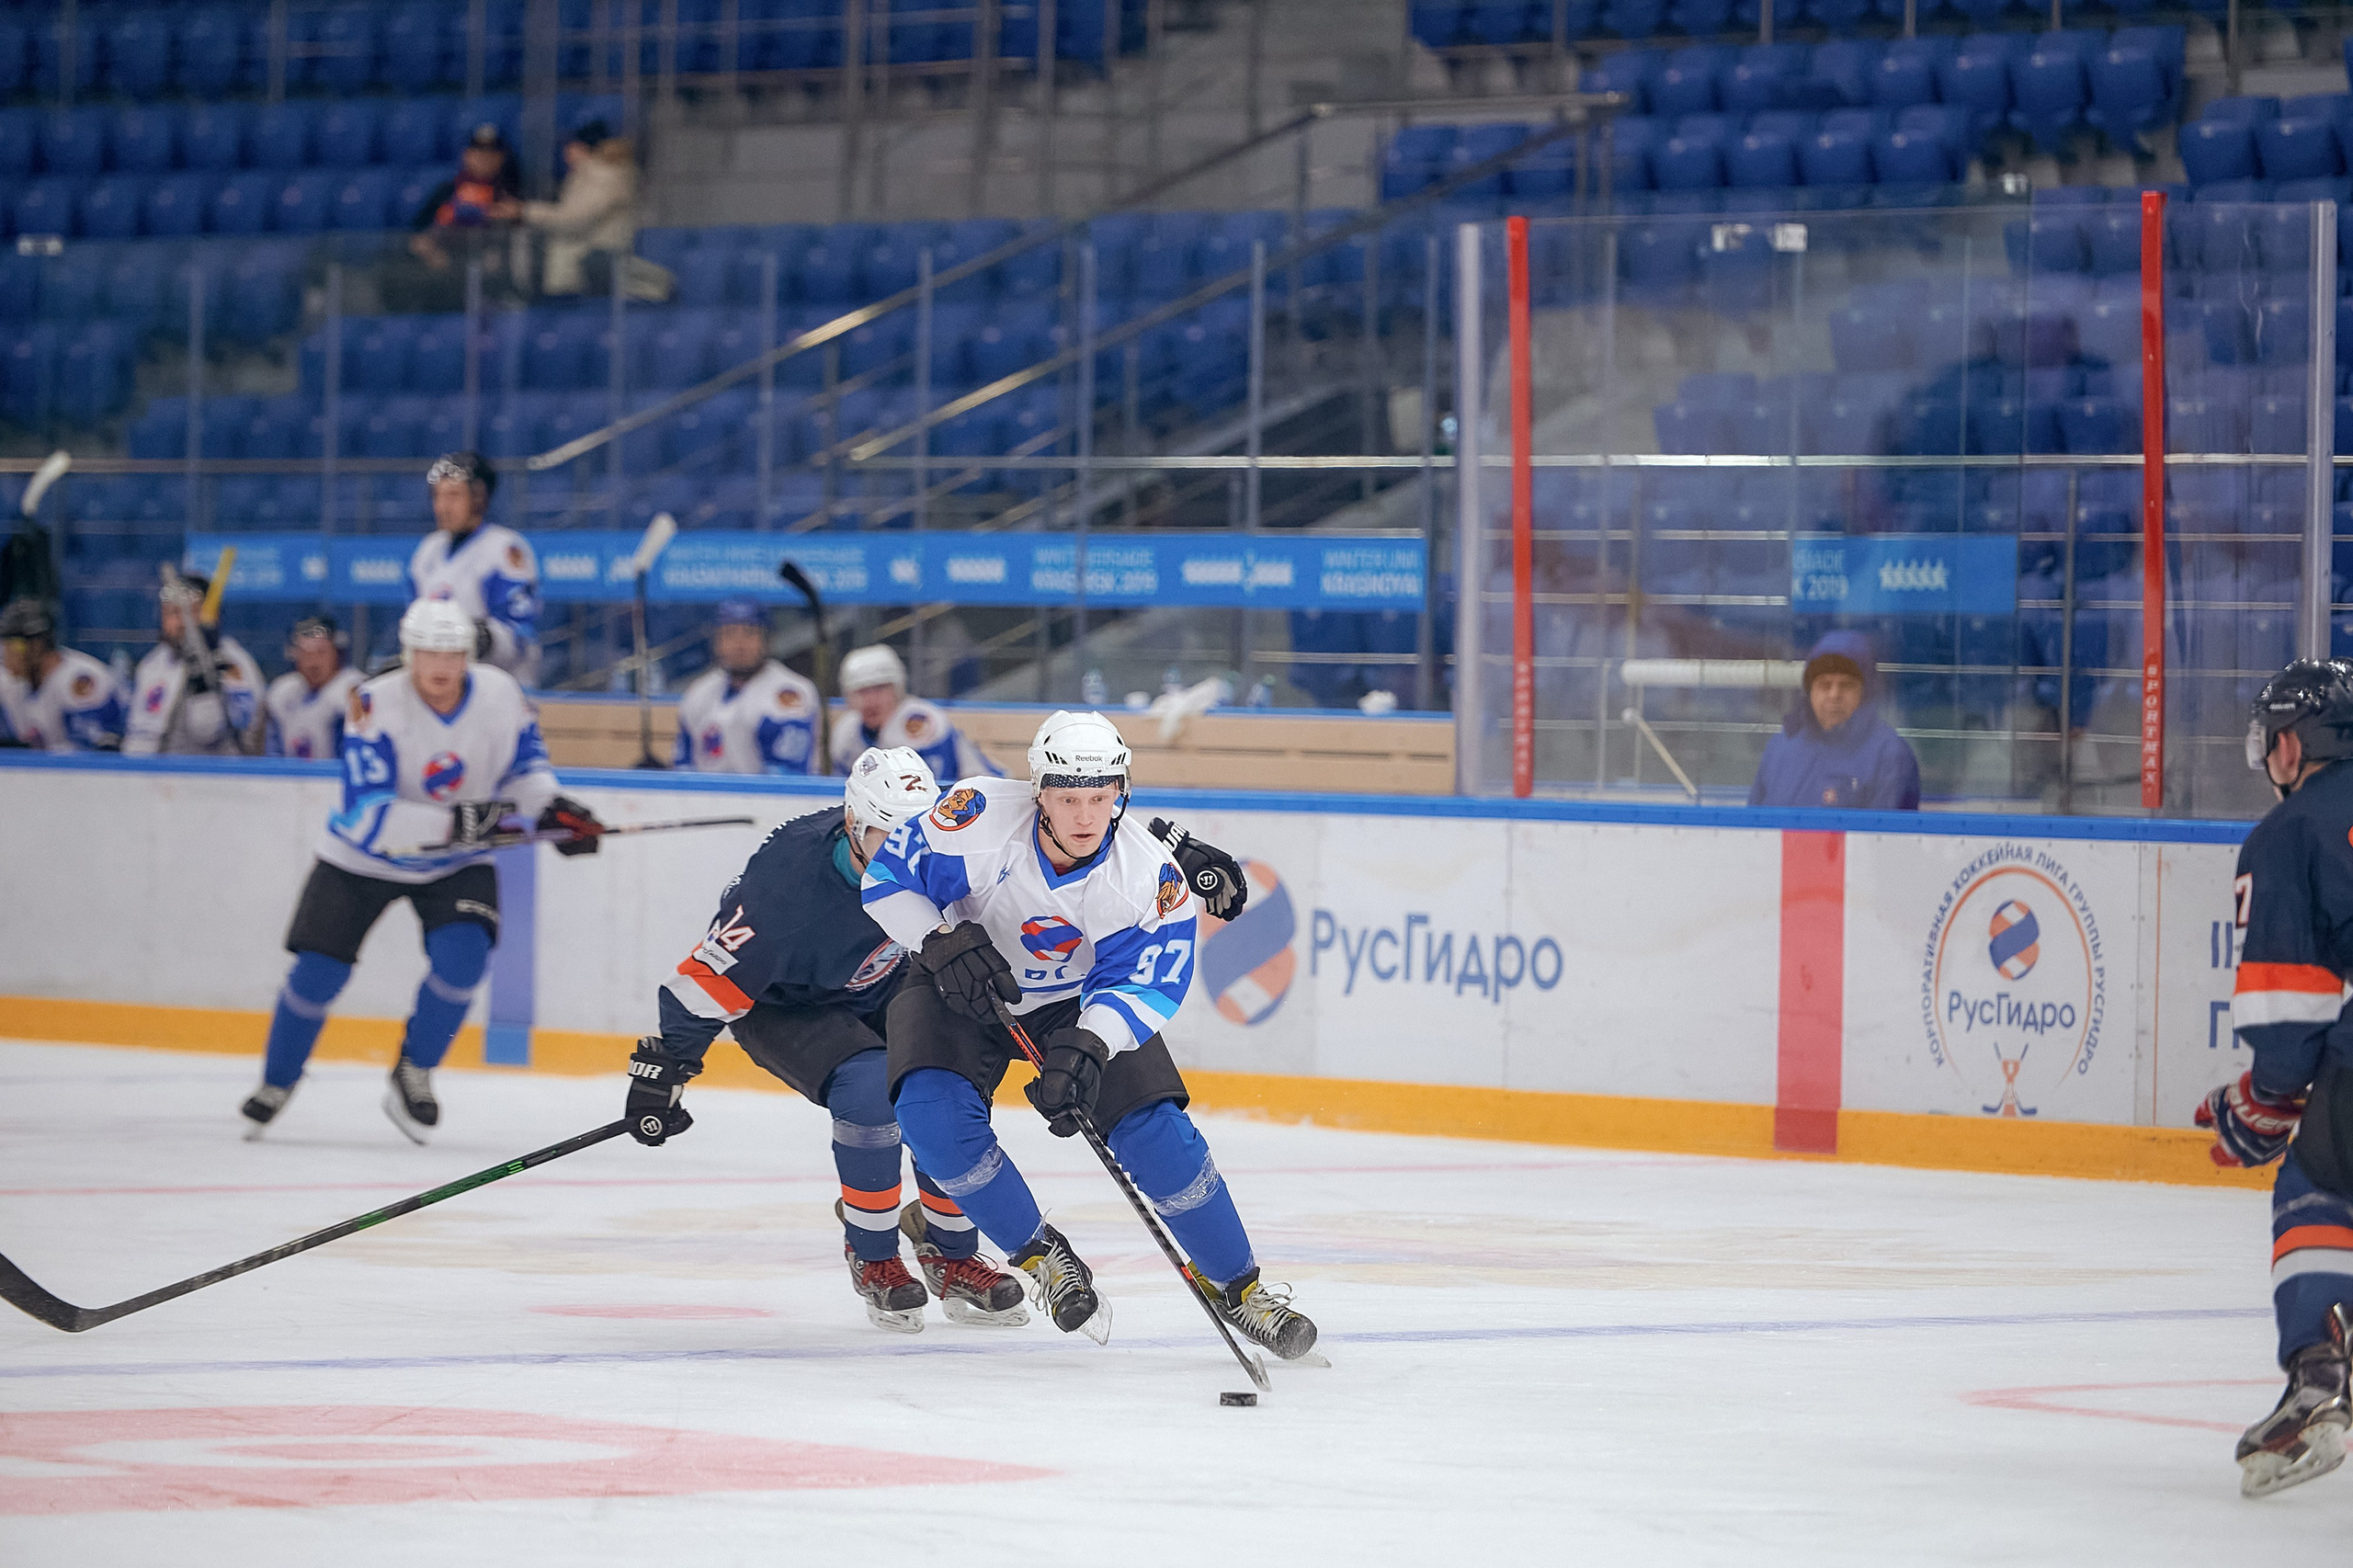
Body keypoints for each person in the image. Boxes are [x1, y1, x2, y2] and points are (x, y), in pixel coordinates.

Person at [855, 709, 1315, 1361]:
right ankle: (1040, 1256)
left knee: (1159, 1135)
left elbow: (1149, 980)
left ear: (1121, 795)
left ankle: (1241, 1289)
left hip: (1073, 1000)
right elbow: (887, 880)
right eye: (1068, 798)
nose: (1083, 816)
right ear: (1039, 790)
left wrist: (1093, 1041)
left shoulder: (1147, 878)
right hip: (959, 981)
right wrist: (938, 940)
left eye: (1099, 798)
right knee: (930, 1118)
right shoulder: (976, 817)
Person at [623, 747, 1031, 1332]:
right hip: (787, 1008)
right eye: (886, 838)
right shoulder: (784, 895)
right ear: (852, 827)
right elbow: (706, 979)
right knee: (869, 1089)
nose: (904, 857)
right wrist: (663, 1069)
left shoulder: (945, 857)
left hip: (881, 984)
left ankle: (952, 1253)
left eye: (914, 838)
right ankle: (873, 1255)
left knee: (946, 1082)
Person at [238, 599, 605, 1144]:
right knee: (319, 972)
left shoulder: (502, 696)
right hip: (360, 859)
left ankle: (414, 1069)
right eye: (430, 651)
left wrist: (553, 811)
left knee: (463, 963)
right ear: (409, 654)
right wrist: (462, 821)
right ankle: (278, 1080)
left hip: (454, 864)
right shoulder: (372, 703)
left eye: (453, 652)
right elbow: (370, 814)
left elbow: (524, 770)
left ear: (468, 655)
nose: (441, 664)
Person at [2201, 658, 2353, 1498]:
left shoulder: (2289, 834)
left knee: (2319, 1186)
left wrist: (2263, 1106)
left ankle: (2318, 1379)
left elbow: (2289, 1007)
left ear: (2292, 745)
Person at [1747, 631, 1920, 811]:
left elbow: (1885, 836)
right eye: (1824, 684)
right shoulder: (1781, 746)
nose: (1834, 695)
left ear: (1865, 692)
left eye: (1846, 685)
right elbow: (1753, 828)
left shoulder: (1890, 756)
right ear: (1809, 692)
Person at [407, 451, 540, 685]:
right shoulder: (427, 551)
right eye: (438, 496)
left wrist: (466, 637)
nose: (442, 507)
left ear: (479, 497)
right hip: (443, 689)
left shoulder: (504, 549)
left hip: (498, 689)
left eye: (453, 496)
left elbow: (519, 634)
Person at [671, 597, 821, 774]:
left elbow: (787, 776)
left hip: (767, 799)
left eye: (750, 633)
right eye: (730, 633)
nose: (739, 644)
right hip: (705, 797)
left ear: (767, 639)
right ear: (717, 641)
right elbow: (683, 766)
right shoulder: (699, 692)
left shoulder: (791, 692)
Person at [122, 571, 263, 756]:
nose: (180, 623)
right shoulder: (152, 664)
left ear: (211, 615)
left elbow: (238, 733)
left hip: (213, 777)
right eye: (172, 613)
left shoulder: (231, 663)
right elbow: (139, 734)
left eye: (190, 612)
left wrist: (206, 690)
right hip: (154, 777)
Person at [828, 643, 998, 784]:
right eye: (862, 692)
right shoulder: (846, 732)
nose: (871, 700)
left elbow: (934, 792)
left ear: (897, 689)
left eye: (880, 688)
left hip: (981, 800)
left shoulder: (921, 721)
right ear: (848, 696)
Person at [517, 119, 639, 299]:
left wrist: (525, 211)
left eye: (570, 146)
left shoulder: (604, 176)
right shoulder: (588, 175)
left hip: (593, 271)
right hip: (584, 268)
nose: (565, 153)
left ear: (583, 148)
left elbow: (574, 220)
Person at [0, 598, 126, 752]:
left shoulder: (78, 679)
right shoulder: (12, 685)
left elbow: (95, 754)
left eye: (14, 646)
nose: (6, 654)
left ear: (37, 645)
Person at [264, 614, 363, 761]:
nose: (313, 663)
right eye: (305, 654)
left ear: (336, 652)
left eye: (321, 652)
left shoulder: (354, 690)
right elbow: (272, 755)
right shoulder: (282, 692)